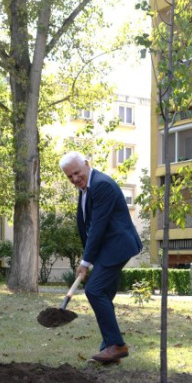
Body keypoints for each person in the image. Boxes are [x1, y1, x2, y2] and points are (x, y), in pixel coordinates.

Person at [59, 151, 142, 364]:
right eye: (70, 177)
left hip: (117, 246)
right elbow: (86, 225)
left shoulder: (101, 184)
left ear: (87, 164)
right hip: (108, 248)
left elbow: (98, 226)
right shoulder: (86, 188)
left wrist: (85, 262)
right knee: (103, 294)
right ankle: (109, 350)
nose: (75, 179)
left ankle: (116, 345)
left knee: (94, 291)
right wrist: (88, 256)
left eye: (77, 172)